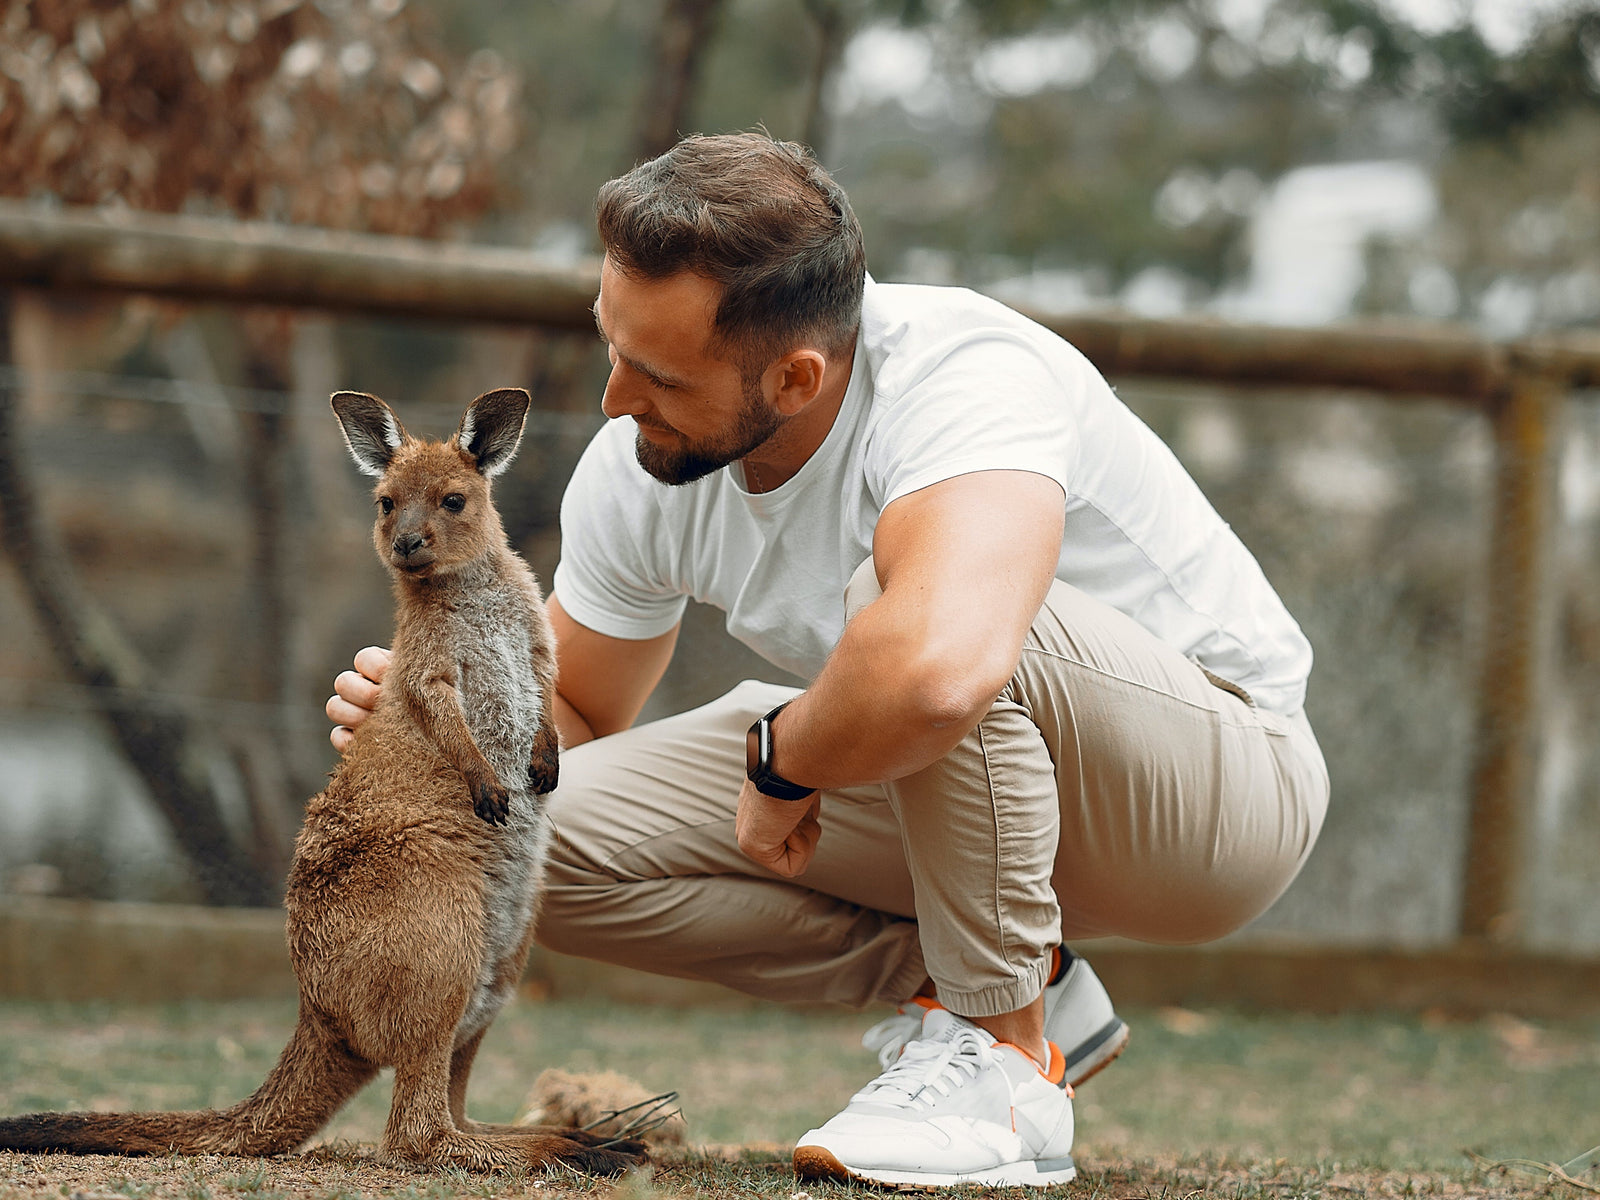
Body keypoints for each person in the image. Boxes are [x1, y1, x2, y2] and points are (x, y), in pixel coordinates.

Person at [327, 130, 1330, 1190]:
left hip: (1216, 797)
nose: (616, 398)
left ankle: (1001, 1066)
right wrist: (440, 746)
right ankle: (1019, 984)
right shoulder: (641, 466)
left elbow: (941, 667)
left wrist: (784, 761)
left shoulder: (964, 377)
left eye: (659, 374)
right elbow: (570, 710)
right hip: (954, 788)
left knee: (912, 620)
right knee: (531, 847)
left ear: (797, 378)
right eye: (611, 345)